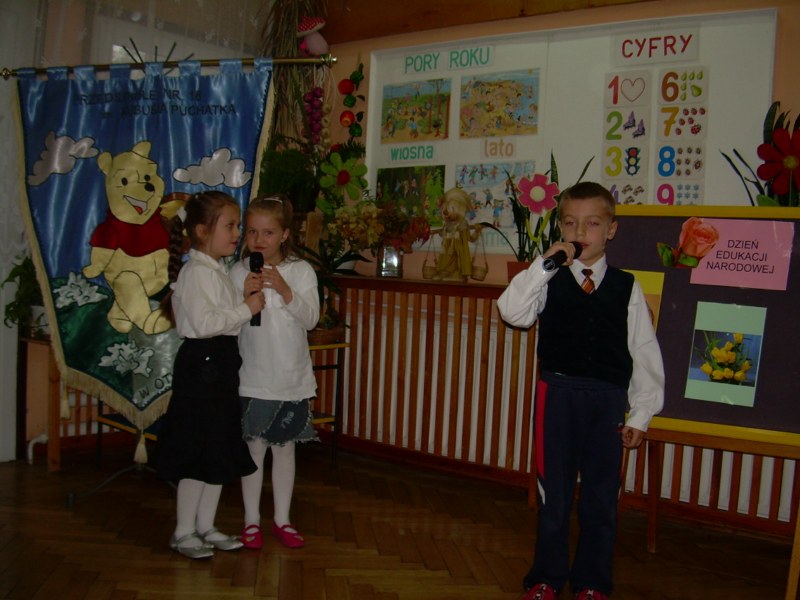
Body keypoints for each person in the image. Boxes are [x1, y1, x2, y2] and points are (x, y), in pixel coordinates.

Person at [497, 182, 664, 600]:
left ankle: (592, 582)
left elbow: (644, 353)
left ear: (611, 229)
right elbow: (512, 312)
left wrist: (641, 414)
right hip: (557, 395)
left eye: (592, 224)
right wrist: (544, 265)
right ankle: (546, 577)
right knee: (553, 495)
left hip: (607, 401)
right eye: (571, 223)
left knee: (600, 497)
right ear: (561, 228)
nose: (580, 232)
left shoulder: (627, 287)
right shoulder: (547, 278)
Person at [156, 190, 265, 559]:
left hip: (219, 365)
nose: (237, 234)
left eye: (237, 226)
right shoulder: (196, 273)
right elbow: (204, 325)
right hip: (202, 366)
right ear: (202, 231)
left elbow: (224, 320)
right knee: (197, 448)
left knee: (217, 446)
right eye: (230, 226)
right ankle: (183, 531)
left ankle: (206, 525)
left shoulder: (215, 271)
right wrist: (246, 308)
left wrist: (242, 299)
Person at [230, 195, 320, 550]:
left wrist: (284, 289)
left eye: (268, 232)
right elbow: (228, 324)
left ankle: (282, 519)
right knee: (253, 450)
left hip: (291, 378)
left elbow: (310, 319)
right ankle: (251, 520)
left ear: (284, 235)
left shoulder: (300, 271)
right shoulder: (238, 271)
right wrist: (243, 298)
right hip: (253, 377)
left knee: (284, 451)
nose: (258, 240)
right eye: (252, 231)